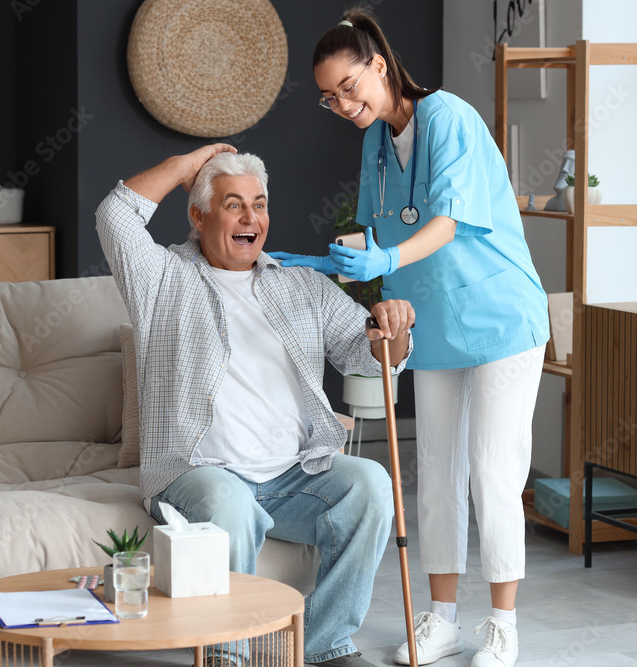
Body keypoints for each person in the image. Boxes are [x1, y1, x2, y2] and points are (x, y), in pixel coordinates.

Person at [269, 8, 549, 667]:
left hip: (501, 318)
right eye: (329, 97)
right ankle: (443, 616)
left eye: (348, 86)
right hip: (432, 323)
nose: (342, 104)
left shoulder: (445, 115)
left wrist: (383, 262)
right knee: (436, 472)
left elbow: (445, 223)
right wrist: (325, 262)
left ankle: (503, 622)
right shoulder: (372, 142)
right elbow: (374, 233)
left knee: (492, 470)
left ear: (379, 66)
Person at [95, 144, 416, 667]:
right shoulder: (161, 278)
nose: (251, 218)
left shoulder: (302, 286)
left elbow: (371, 354)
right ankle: (228, 654)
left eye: (260, 204)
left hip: (293, 477)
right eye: (234, 205)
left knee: (372, 486)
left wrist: (395, 329)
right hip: (197, 473)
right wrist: (185, 167)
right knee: (230, 504)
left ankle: (322, 646)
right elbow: (116, 215)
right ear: (198, 216)